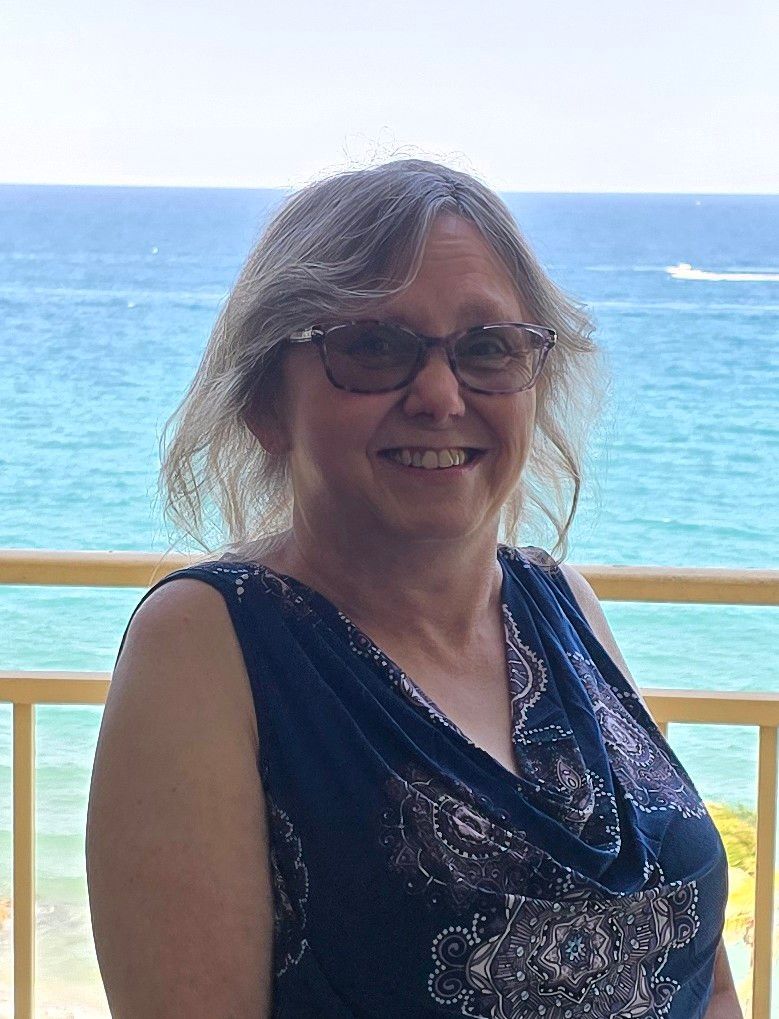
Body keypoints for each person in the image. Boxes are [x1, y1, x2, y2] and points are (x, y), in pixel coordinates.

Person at [86, 159, 741, 1018]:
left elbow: (702, 976)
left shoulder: (561, 603)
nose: (438, 394)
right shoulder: (209, 644)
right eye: (370, 346)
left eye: (488, 347)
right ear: (265, 403)